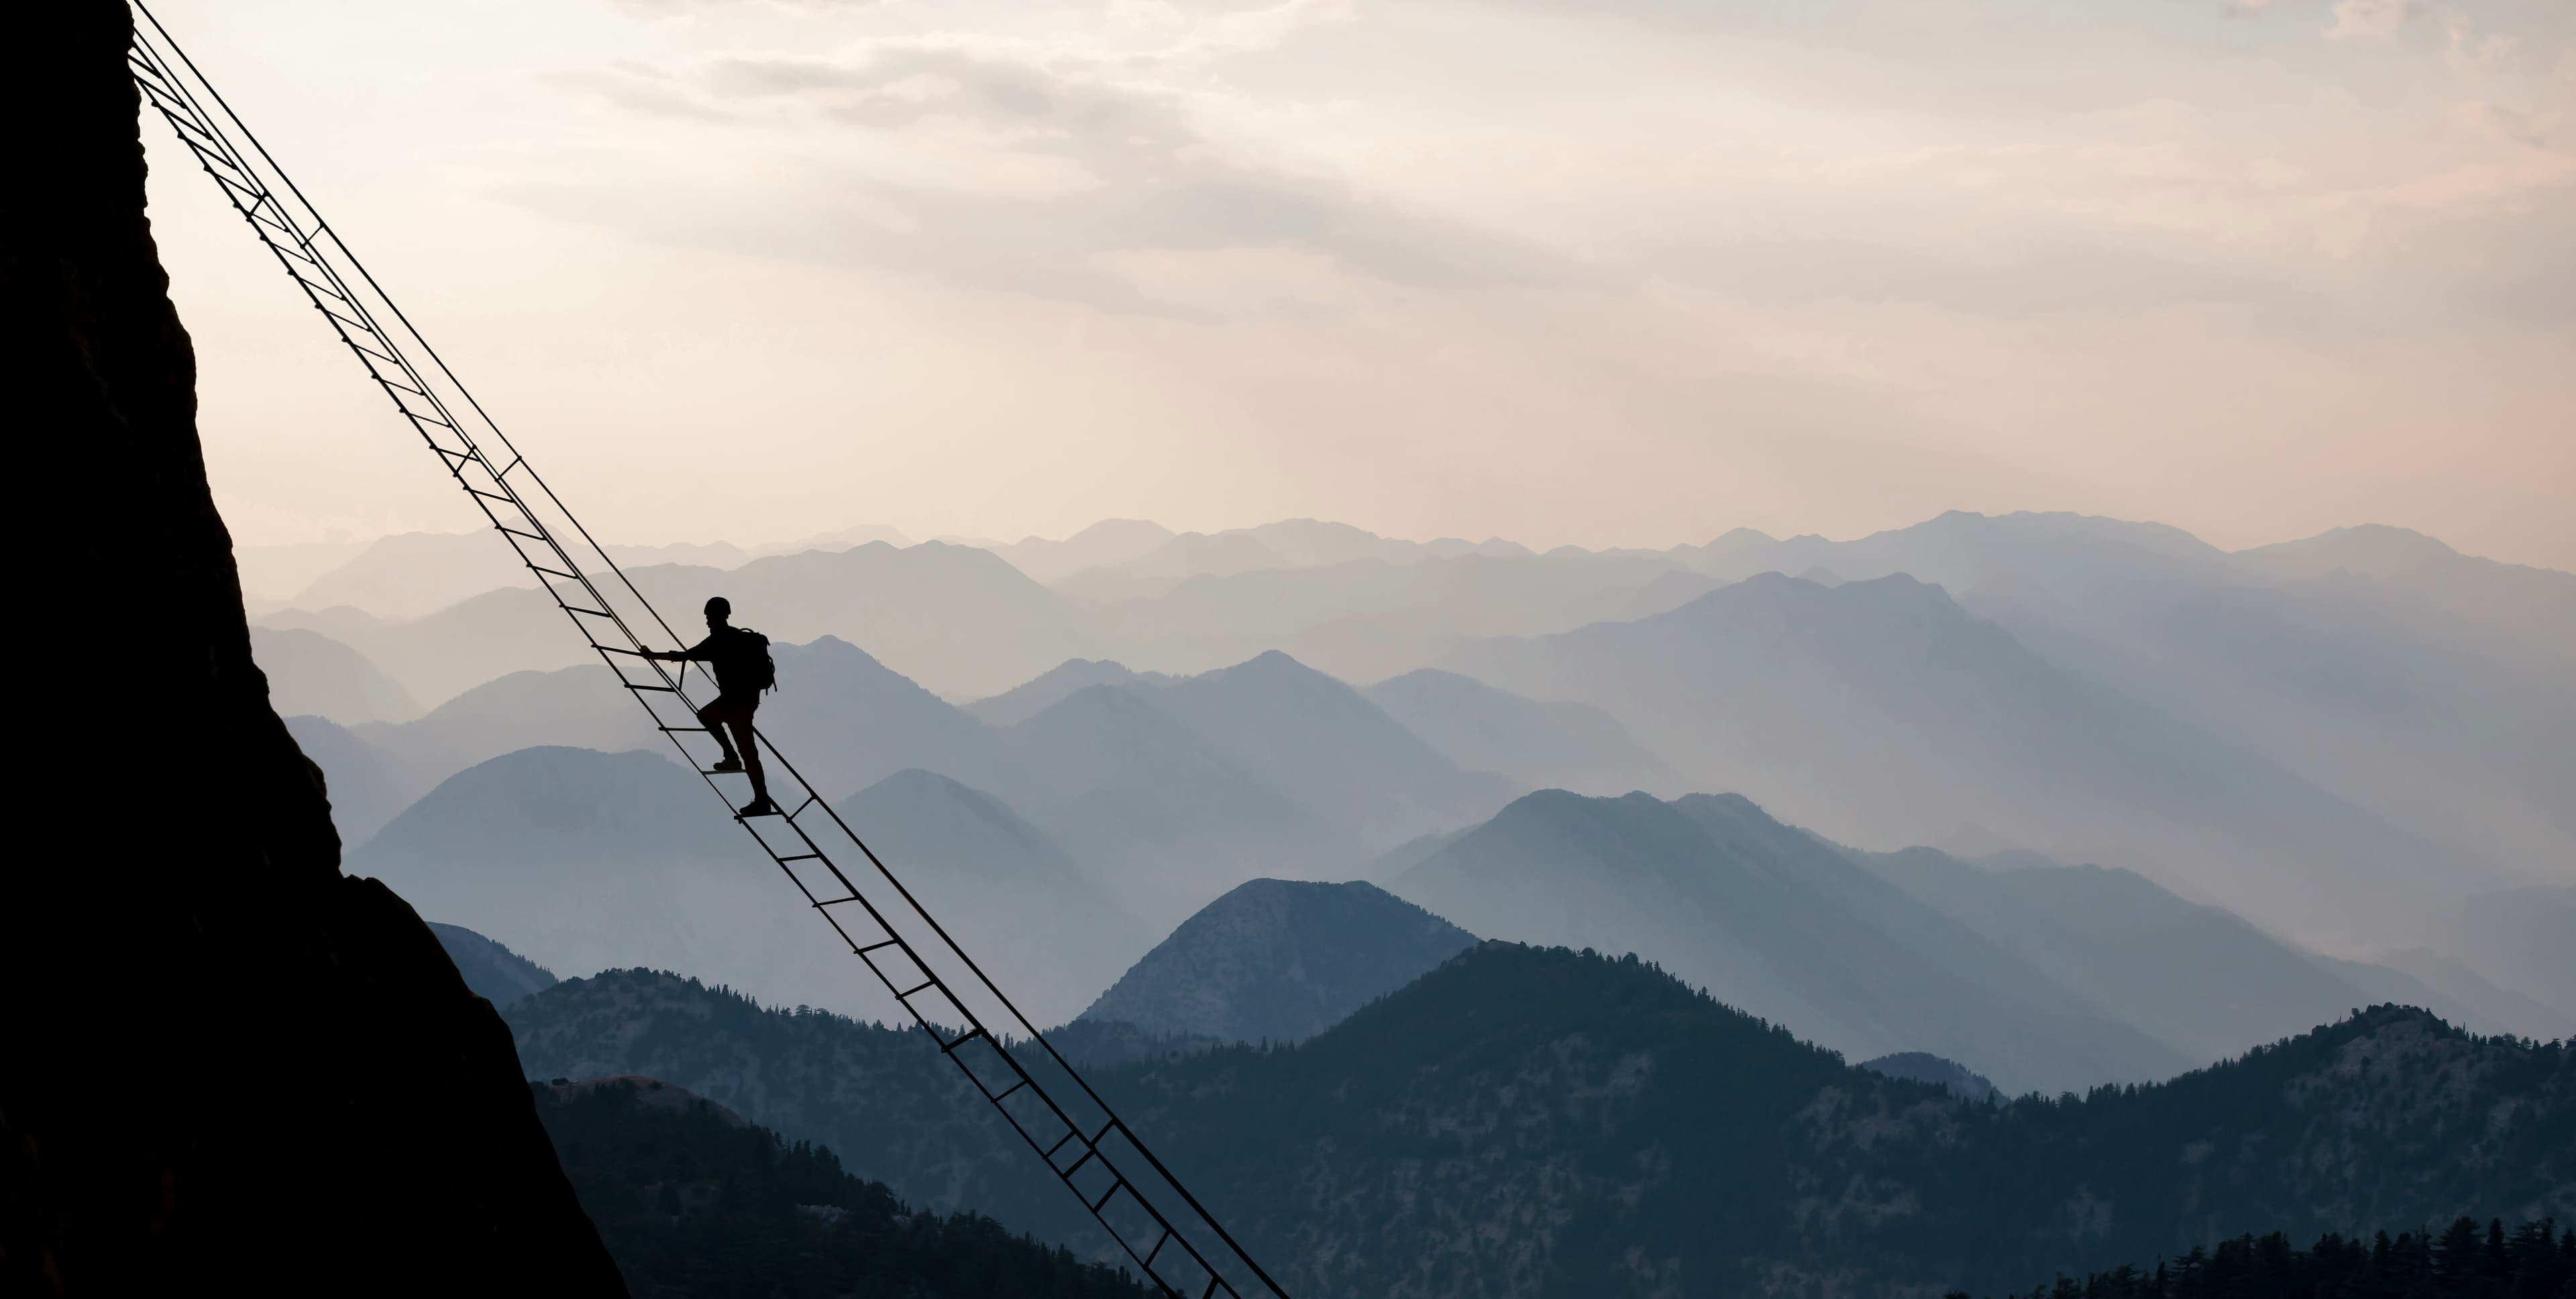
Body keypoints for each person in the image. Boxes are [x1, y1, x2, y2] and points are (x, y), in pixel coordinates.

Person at [644, 596, 778, 817]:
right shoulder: (740, 637)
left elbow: (684, 656)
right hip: (749, 700)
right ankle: (759, 796)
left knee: (706, 717)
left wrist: (652, 656)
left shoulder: (717, 641)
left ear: (715, 616)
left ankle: (733, 761)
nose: (707, 622)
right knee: (749, 753)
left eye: (708, 617)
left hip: (733, 701)